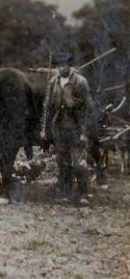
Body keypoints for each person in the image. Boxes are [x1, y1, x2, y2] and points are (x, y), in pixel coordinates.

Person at [40, 53, 97, 206]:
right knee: (62, 162)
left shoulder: (80, 82)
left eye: (64, 65)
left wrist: (85, 133)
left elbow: (88, 108)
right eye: (58, 65)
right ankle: (65, 193)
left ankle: (83, 194)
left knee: (79, 162)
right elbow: (48, 108)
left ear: (69, 66)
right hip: (59, 127)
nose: (61, 68)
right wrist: (45, 129)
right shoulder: (53, 82)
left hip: (76, 126)